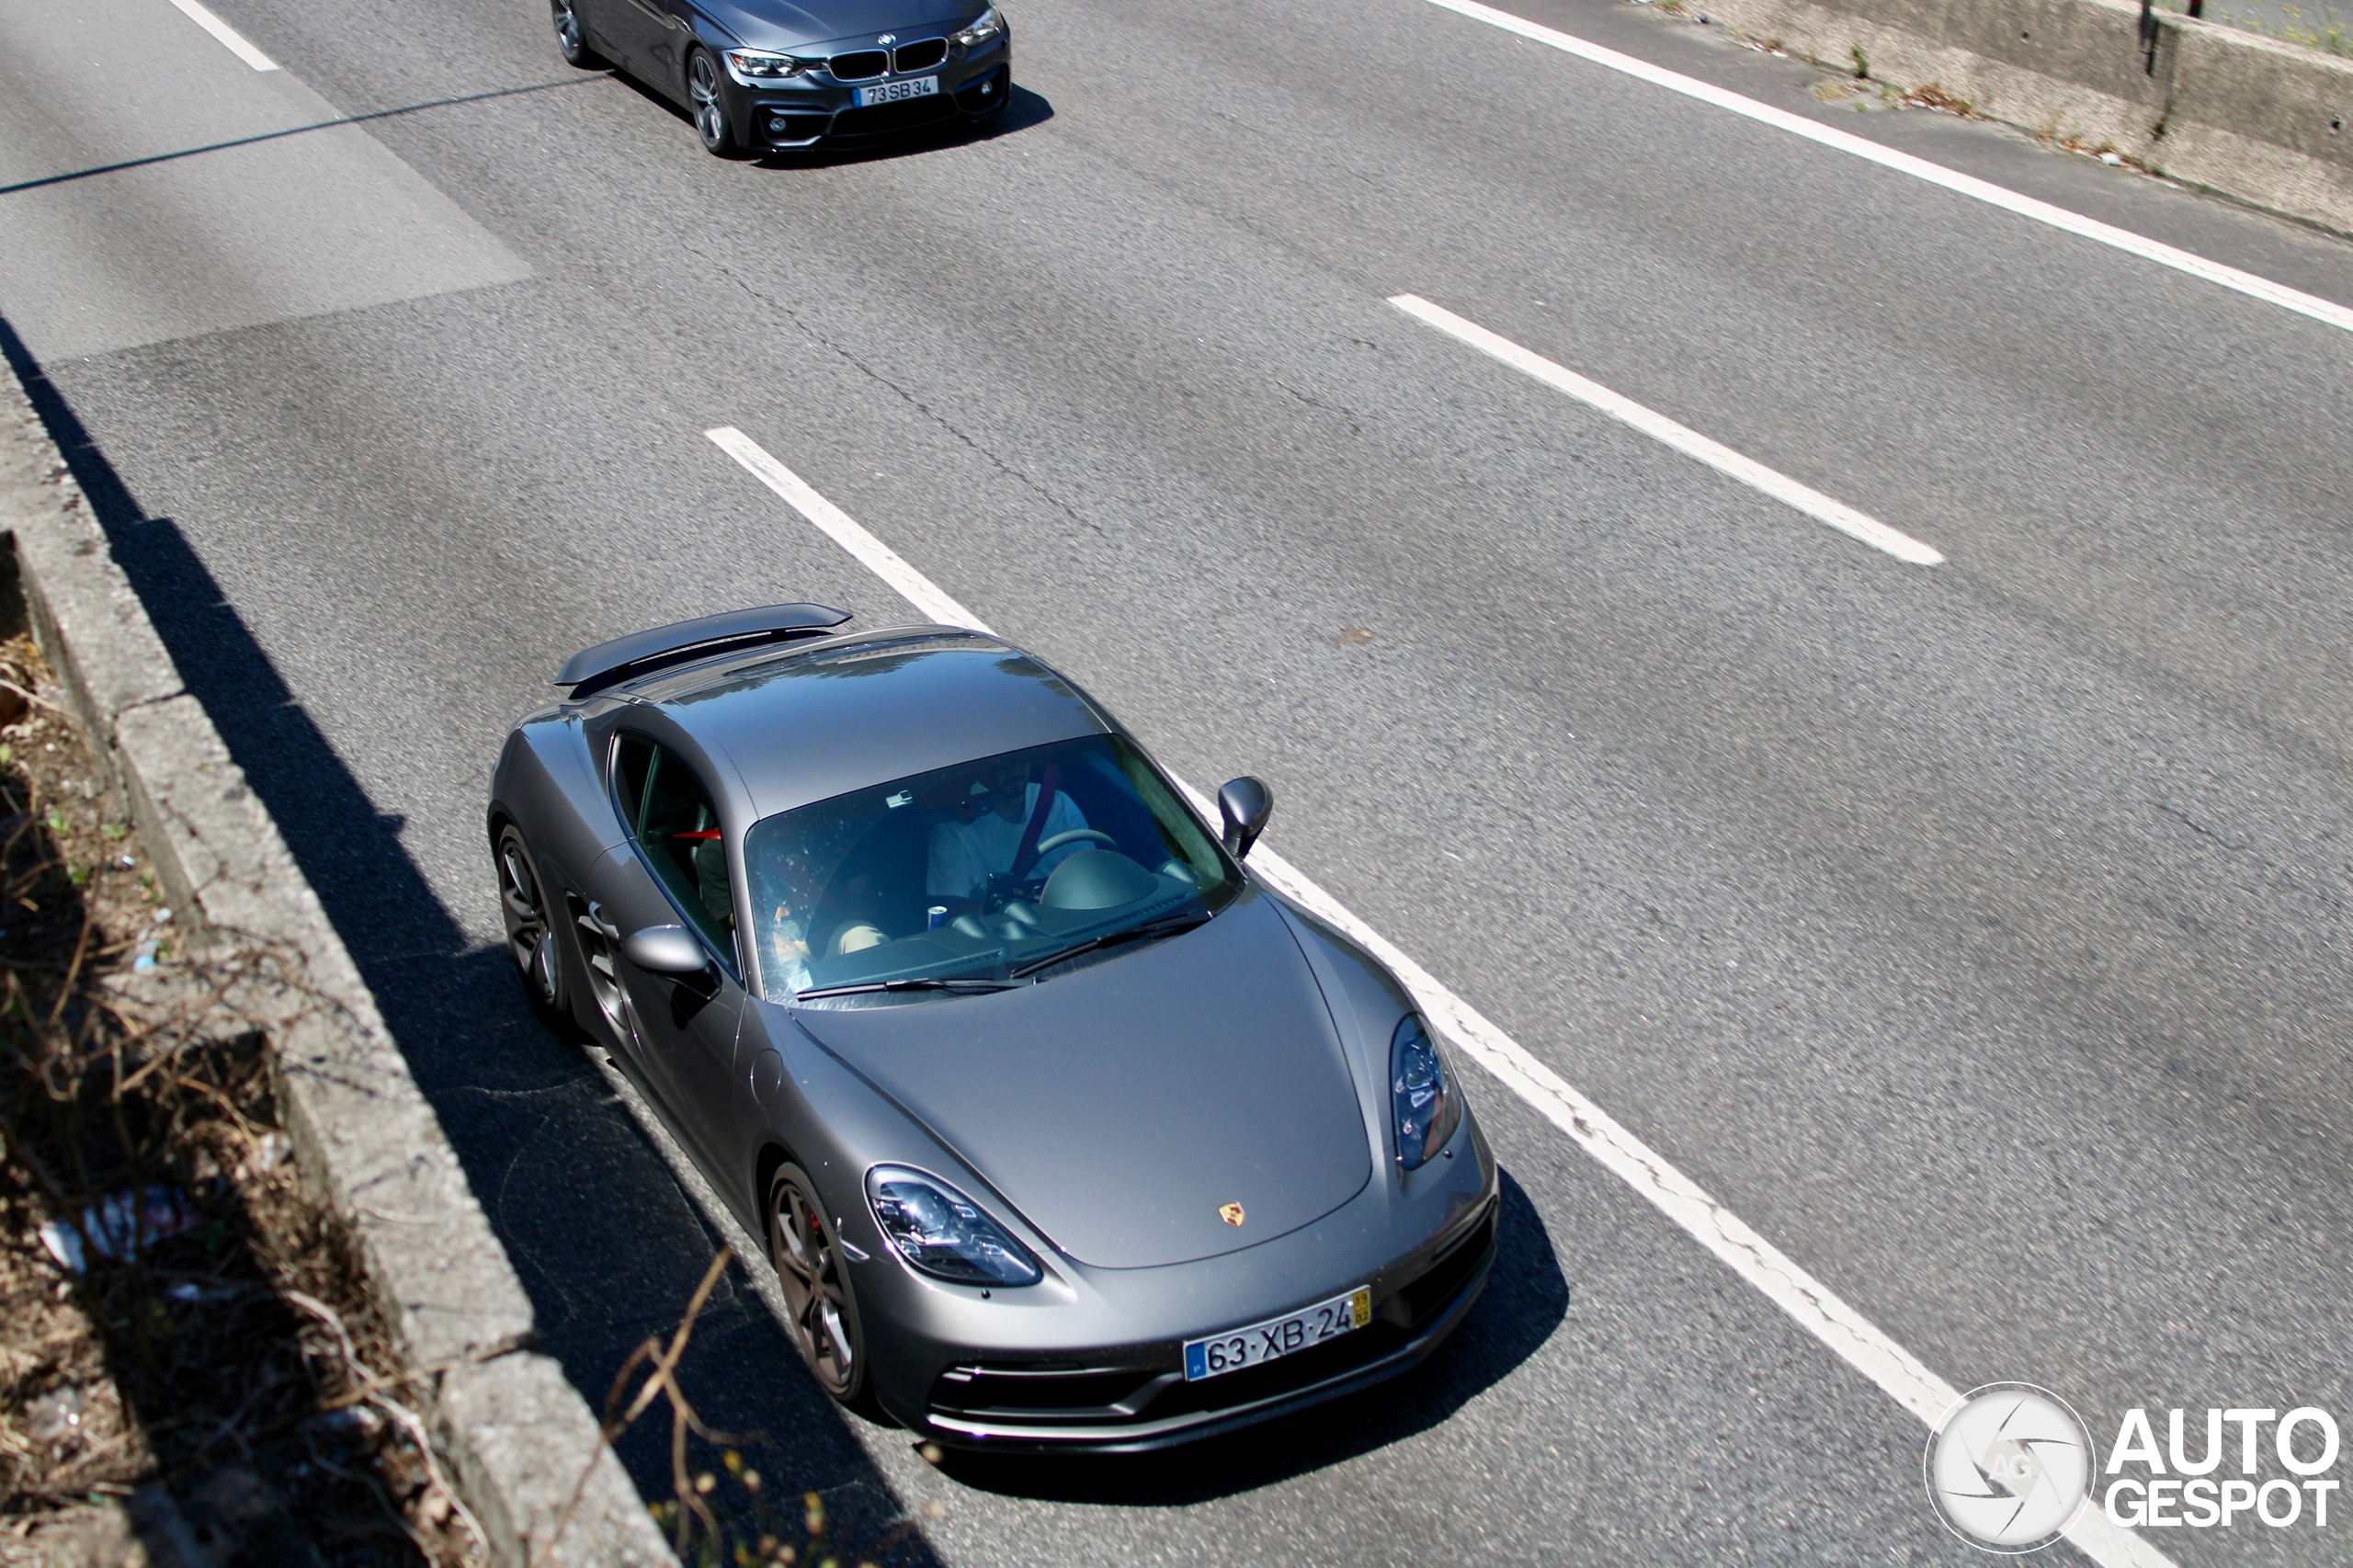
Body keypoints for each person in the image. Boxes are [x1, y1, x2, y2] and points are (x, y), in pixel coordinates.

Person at [926, 760, 1092, 912]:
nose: (1015, 769)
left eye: (1022, 758)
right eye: (1001, 764)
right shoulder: (954, 830)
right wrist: (1003, 907)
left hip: (1069, 921)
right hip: (998, 934)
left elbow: (1090, 876)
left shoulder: (1060, 805)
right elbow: (953, 910)